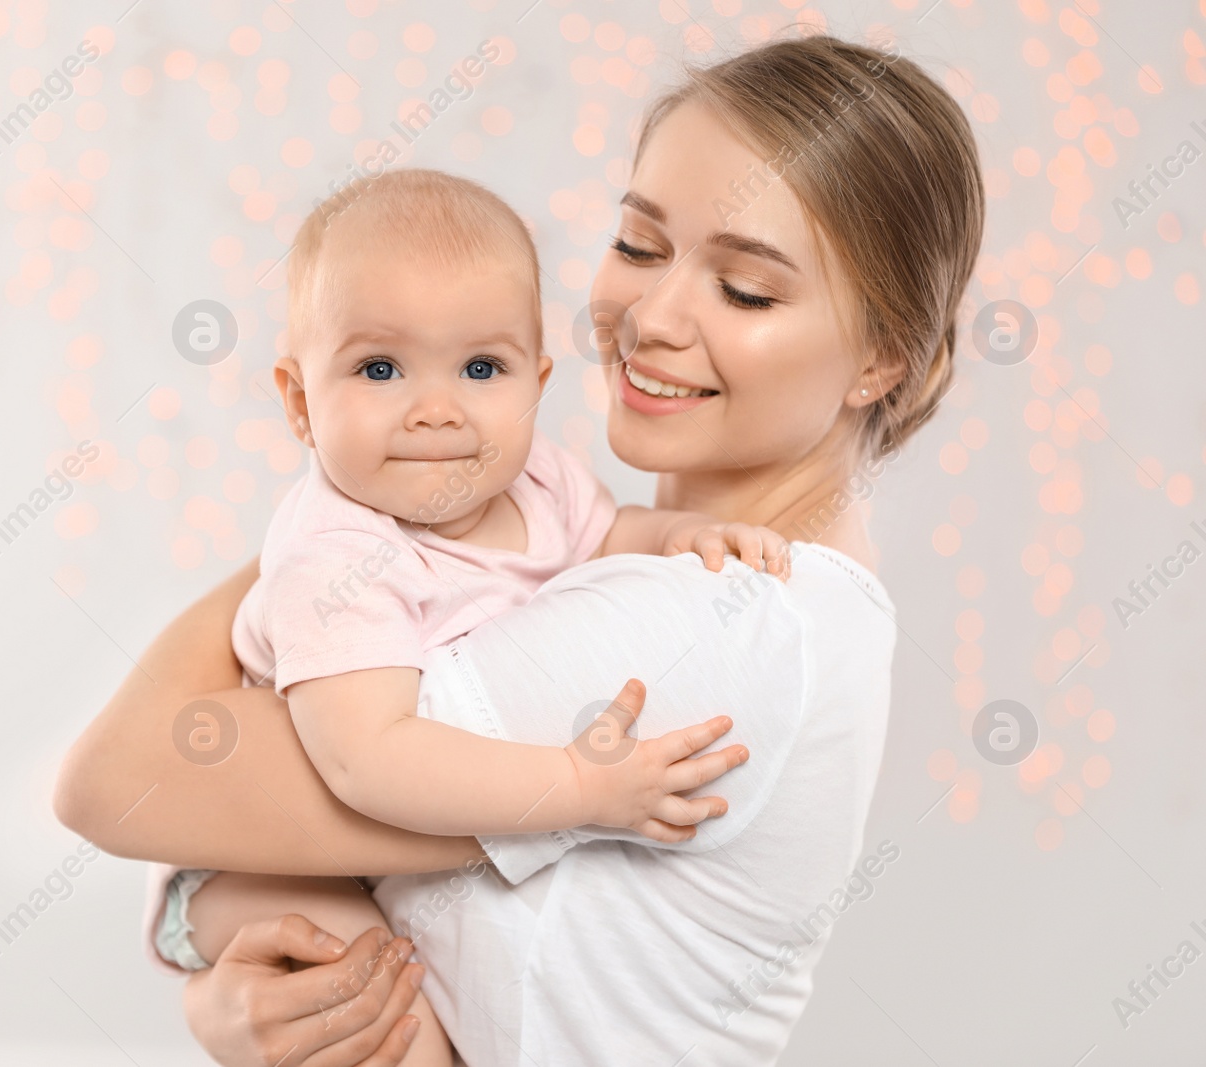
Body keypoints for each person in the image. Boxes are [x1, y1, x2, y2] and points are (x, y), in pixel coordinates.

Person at [56, 32, 983, 1066]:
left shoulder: (723, 618)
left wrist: (336, 517)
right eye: (638, 245)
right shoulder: (620, 551)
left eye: (746, 290)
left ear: (882, 356)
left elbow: (120, 778)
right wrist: (238, 988)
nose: (654, 315)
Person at [146, 167, 783, 1067]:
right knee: (384, 1011)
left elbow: (609, 536)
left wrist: (684, 531)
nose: (437, 409)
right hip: (259, 860)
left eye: (482, 368)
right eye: (379, 368)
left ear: (536, 382)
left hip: (392, 853)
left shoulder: (544, 481)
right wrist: (580, 790)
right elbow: (369, 757)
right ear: (298, 400)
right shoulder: (338, 555)